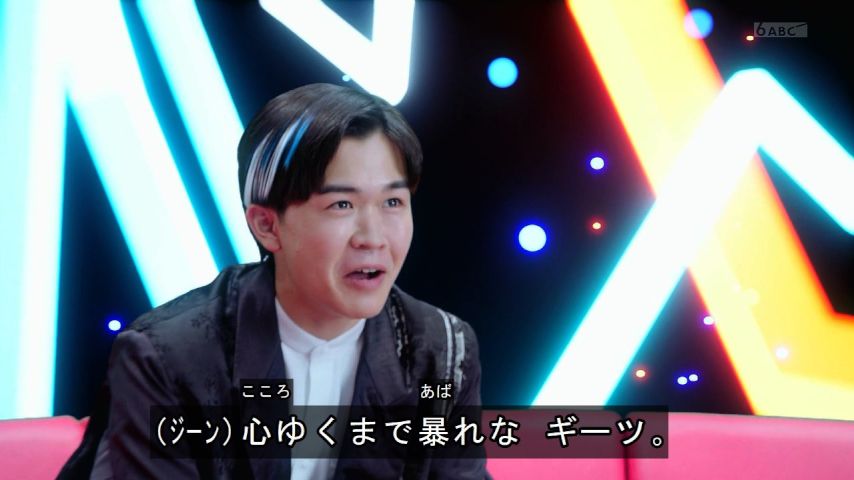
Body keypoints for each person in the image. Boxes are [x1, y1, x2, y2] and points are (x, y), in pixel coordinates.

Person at [59, 83, 488, 479]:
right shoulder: (166, 357)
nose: (373, 237)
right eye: (341, 204)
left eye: (393, 202)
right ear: (267, 225)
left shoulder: (442, 350)